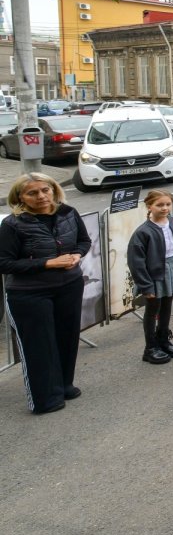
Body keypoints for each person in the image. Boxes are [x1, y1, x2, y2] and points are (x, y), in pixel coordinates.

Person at [0, 174, 91, 414]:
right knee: (39, 346)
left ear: (54, 190)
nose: (41, 196)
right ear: (20, 197)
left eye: (45, 190)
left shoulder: (68, 212)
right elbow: (4, 263)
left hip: (69, 285)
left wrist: (77, 255)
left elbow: (83, 241)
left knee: (67, 338)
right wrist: (47, 263)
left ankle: (64, 385)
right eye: (32, 193)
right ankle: (44, 398)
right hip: (30, 293)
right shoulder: (12, 224)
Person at [128, 189, 173, 365]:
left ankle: (163, 339)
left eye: (168, 204)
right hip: (154, 275)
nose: (164, 208)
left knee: (167, 305)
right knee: (153, 308)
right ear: (149, 206)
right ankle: (150, 348)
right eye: (159, 205)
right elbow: (136, 262)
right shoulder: (143, 232)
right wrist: (146, 285)